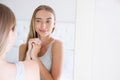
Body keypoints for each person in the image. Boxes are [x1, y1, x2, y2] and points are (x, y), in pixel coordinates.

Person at [19, 5, 63, 80]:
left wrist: (35, 57)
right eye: (38, 20)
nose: (43, 26)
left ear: (54, 24)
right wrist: (28, 54)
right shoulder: (23, 47)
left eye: (48, 21)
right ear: (34, 23)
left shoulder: (57, 45)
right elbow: (22, 77)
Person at [0, 3, 40, 80]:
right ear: (8, 32)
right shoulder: (31, 68)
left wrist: (28, 57)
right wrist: (33, 57)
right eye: (38, 21)